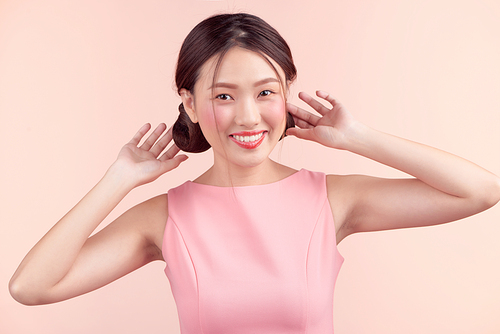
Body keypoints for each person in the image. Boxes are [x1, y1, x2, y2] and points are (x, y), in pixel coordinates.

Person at [9, 12, 500, 333]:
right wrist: (119, 178)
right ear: (191, 103)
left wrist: (357, 138)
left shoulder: (331, 199)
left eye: (266, 92)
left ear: (287, 93)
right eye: (224, 95)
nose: (247, 117)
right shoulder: (163, 217)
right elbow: (31, 288)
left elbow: (479, 191)